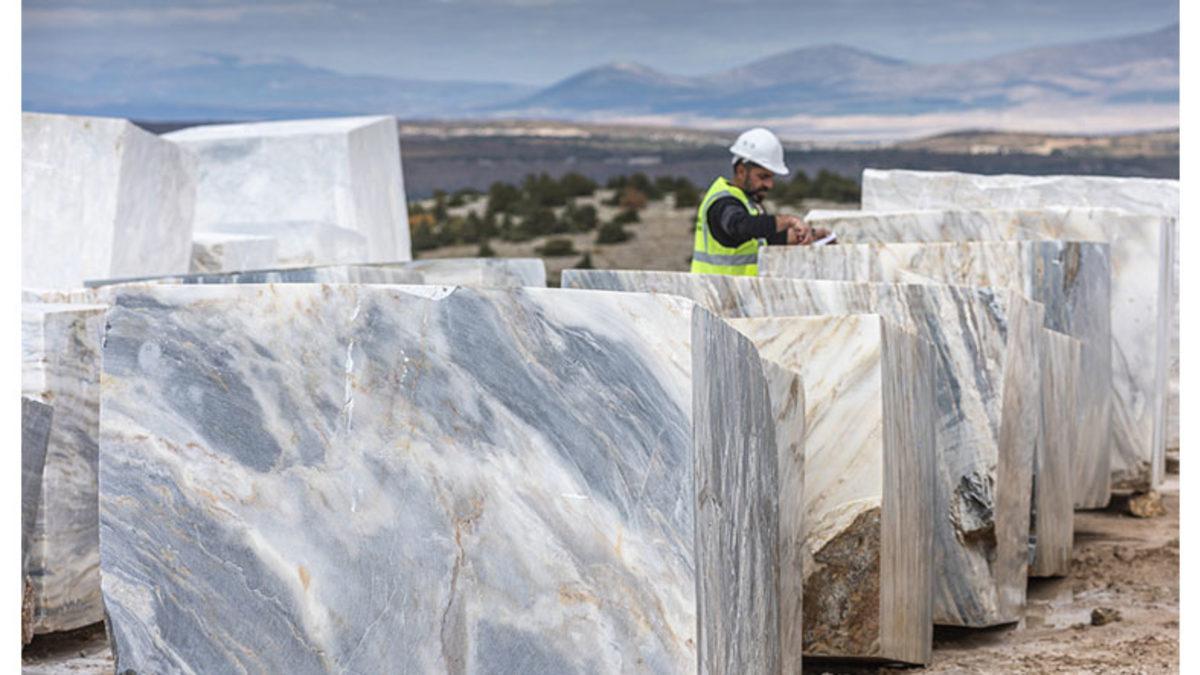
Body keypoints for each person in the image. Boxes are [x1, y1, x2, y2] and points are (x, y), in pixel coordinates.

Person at [690, 127, 830, 276]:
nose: (769, 185)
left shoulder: (745, 202)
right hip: (713, 293)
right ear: (741, 171)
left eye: (771, 177)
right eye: (763, 177)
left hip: (735, 293)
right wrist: (789, 220)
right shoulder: (723, 203)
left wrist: (811, 235)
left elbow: (763, 238)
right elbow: (741, 226)